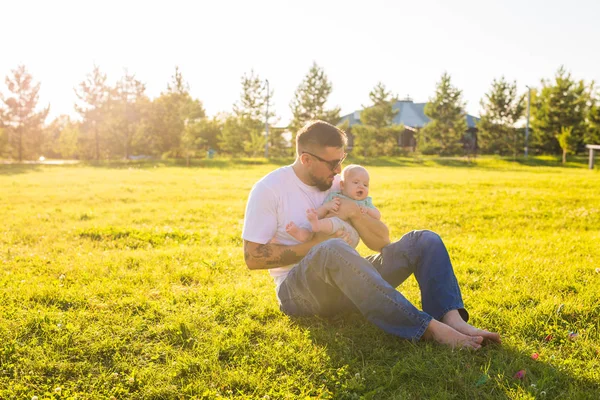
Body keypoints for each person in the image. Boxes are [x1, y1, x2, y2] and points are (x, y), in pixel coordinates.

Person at [242, 120, 500, 349]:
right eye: (332, 163)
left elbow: (382, 243)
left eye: (341, 160)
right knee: (332, 249)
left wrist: (354, 212)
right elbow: (253, 258)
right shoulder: (270, 189)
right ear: (306, 159)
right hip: (298, 293)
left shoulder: (340, 184)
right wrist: (316, 245)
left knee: (425, 239)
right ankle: (429, 329)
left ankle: (451, 318)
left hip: (348, 283)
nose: (338, 169)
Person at [285, 164, 381, 249]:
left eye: (365, 185)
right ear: (342, 185)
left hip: (349, 235)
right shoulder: (335, 197)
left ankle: (317, 225)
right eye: (356, 183)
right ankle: (303, 234)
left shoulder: (365, 202)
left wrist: (367, 210)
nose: (361, 186)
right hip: (326, 230)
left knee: (333, 222)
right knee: (314, 221)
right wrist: (326, 207)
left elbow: (377, 215)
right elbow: (320, 213)